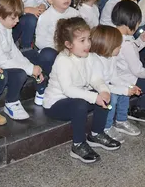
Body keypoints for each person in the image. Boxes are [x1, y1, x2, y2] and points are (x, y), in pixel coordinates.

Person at [42, 17, 119, 164]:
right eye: (82, 41)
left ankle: (96, 134)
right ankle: (78, 145)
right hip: (56, 104)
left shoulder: (90, 57)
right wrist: (93, 97)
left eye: (89, 39)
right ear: (68, 44)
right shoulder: (63, 60)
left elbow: (96, 79)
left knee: (103, 98)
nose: (88, 44)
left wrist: (103, 91)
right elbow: (68, 90)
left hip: (78, 98)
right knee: (81, 104)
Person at [0, 0, 40, 121]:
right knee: (20, 73)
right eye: (13, 18)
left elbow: (14, 51)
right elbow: (1, 61)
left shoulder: (5, 26)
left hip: (3, 64)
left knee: (30, 60)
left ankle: (41, 90)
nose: (17, 21)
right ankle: (11, 103)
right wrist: (28, 69)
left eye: (18, 17)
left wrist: (30, 66)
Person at [32, 0, 80, 105]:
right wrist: (60, 49)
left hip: (72, 51)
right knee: (47, 54)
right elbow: (40, 41)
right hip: (54, 51)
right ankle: (44, 88)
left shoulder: (75, 14)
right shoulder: (46, 17)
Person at [89, 25, 137, 141]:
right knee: (113, 97)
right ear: (107, 46)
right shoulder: (95, 61)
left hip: (105, 86)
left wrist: (129, 86)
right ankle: (106, 126)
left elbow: (115, 78)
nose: (120, 48)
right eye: (118, 45)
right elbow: (101, 86)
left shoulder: (111, 57)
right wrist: (124, 90)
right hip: (93, 89)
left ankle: (121, 120)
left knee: (123, 90)